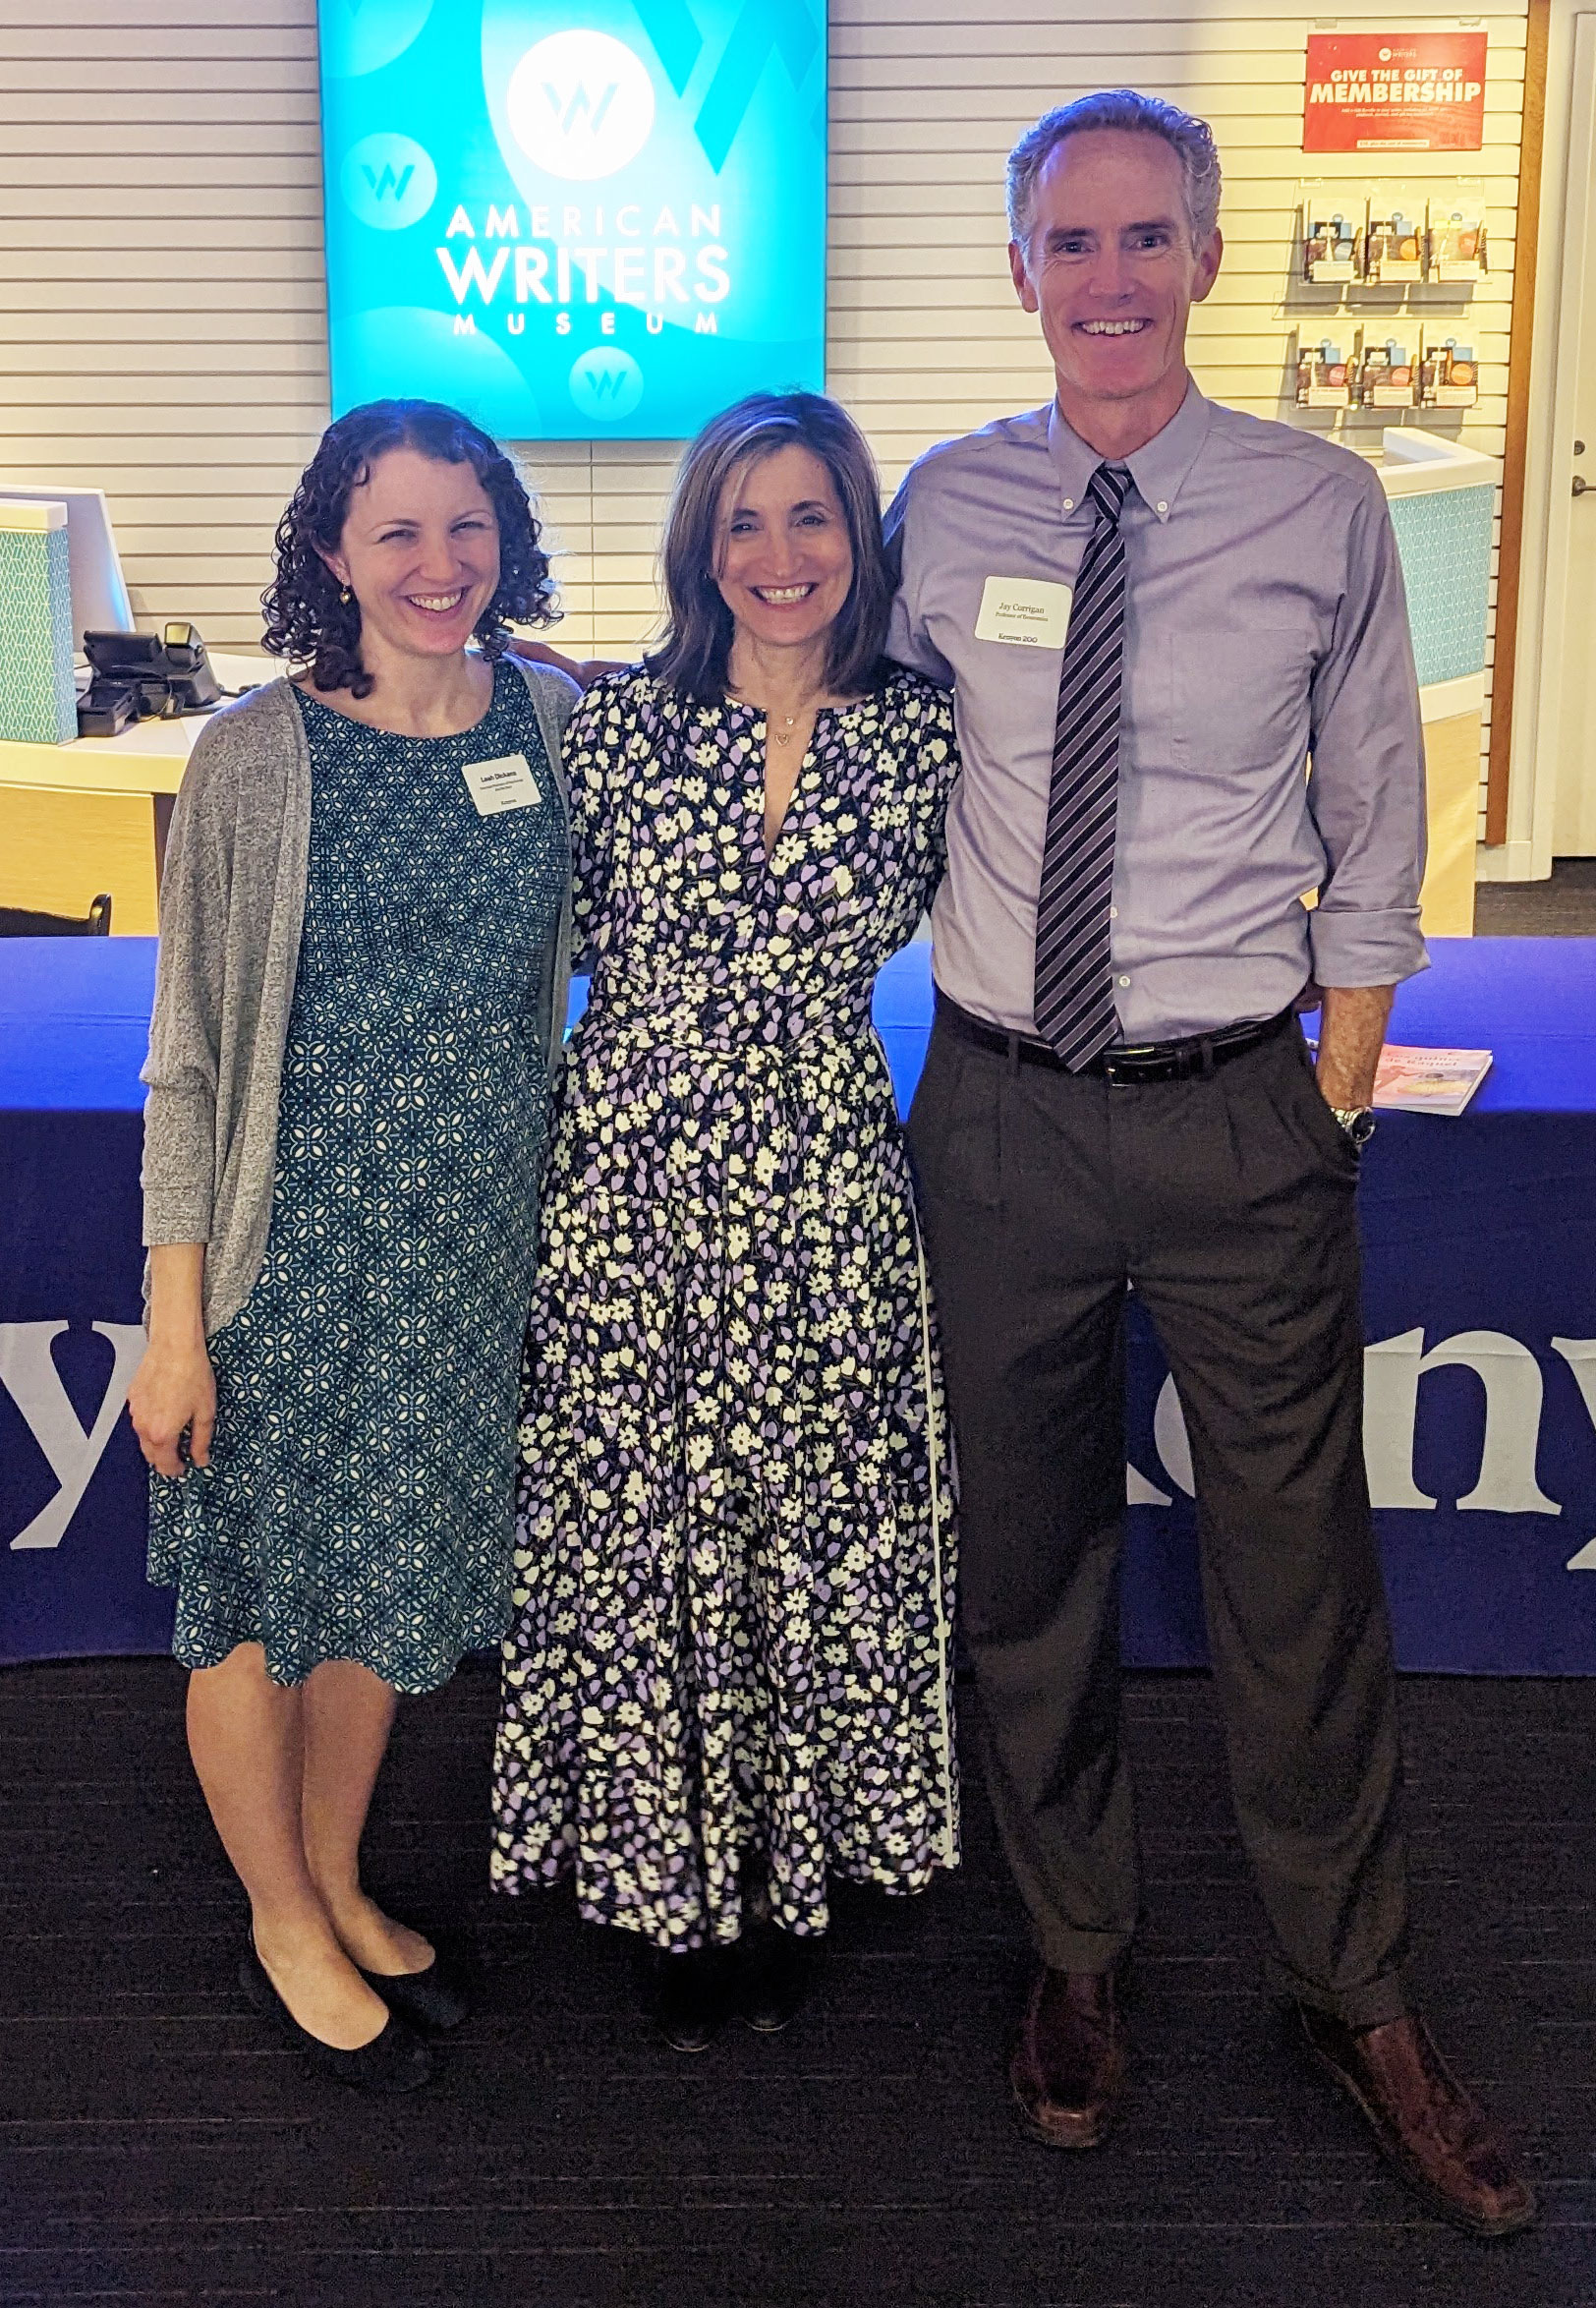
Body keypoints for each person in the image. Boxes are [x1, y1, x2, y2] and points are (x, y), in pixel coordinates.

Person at [884, 91, 1535, 2235]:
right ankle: (1075, 1952)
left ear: (1206, 255)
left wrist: (1332, 1087)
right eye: (1067, 243)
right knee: (1026, 1564)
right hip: (992, 1113)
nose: (1107, 282)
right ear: (1016, 270)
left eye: (1144, 238)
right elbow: (847, 740)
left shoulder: (1312, 502)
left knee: (1294, 1583)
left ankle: (1351, 1992)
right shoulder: (940, 503)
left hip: (1237, 1110)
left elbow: (1377, 817)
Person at [491, 391, 962, 2051]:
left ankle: (792, 1858)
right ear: (701, 540)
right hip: (629, 1183)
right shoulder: (610, 730)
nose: (781, 557)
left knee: (801, 1520)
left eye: (813, 517)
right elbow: (499, 946)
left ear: (860, 535)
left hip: (826, 1185)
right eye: (745, 522)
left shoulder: (924, 732)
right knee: (647, 1524)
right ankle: (655, 1880)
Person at [128, 399, 580, 2092]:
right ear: (332, 549)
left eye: (465, 528)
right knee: (253, 1605)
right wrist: (178, 1326)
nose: (436, 565)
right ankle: (279, 1919)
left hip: (464, 1273)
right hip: (285, 1265)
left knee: (384, 1598)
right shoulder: (251, 758)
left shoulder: (548, 718)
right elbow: (185, 1060)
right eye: (395, 531)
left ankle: (327, 1878)